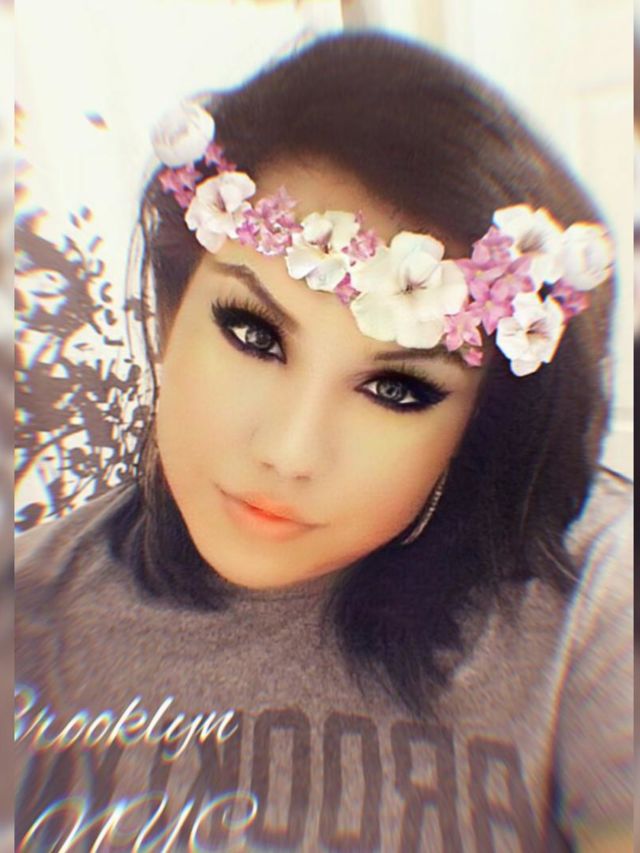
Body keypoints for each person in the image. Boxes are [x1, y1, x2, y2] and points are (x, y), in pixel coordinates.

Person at [15, 32, 632, 852]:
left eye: (397, 388)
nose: (289, 450)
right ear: (171, 311)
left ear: (474, 425)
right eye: (253, 333)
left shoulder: (591, 605)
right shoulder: (26, 608)